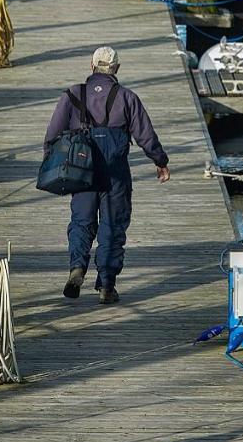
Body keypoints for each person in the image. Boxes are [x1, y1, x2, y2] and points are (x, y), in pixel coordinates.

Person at [43, 46, 169, 304]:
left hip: (81, 170)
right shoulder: (127, 97)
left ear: (91, 66)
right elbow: (145, 136)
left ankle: (77, 267)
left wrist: (50, 163)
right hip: (115, 173)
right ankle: (106, 285)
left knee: (81, 222)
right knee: (113, 225)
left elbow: (52, 135)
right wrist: (160, 161)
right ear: (117, 70)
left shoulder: (72, 94)